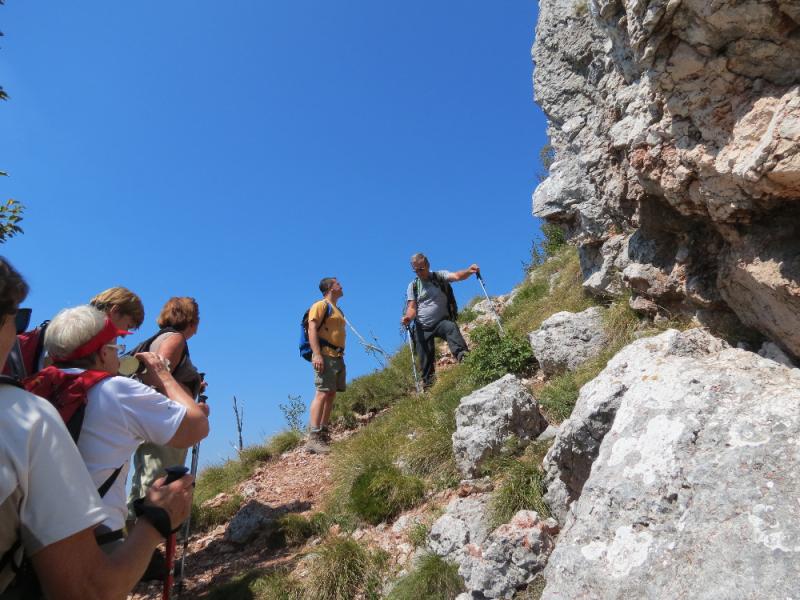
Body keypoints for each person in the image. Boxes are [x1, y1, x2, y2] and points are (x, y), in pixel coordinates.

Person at [0, 257, 195, 600]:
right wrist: (157, 521)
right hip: (88, 530)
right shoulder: (28, 415)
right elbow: (87, 589)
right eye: (119, 340)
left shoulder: (36, 386)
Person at [26, 304, 209, 554]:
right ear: (103, 353)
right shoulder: (116, 391)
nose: (120, 354)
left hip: (31, 539)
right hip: (94, 540)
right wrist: (162, 374)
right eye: (116, 347)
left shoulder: (32, 388)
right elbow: (197, 426)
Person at [127, 297, 205, 524]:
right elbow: (159, 377)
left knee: (144, 481)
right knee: (158, 483)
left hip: (150, 421)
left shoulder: (157, 338)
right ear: (191, 319)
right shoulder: (175, 339)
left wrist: (192, 384)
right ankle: (148, 538)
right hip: (165, 423)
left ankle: (135, 534)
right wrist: (190, 401)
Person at [3, 286, 144, 380]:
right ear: (115, 311)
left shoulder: (67, 325)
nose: (124, 334)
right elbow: (52, 375)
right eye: (128, 326)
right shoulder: (79, 332)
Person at [400, 253, 479, 388]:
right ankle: (428, 386)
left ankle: (466, 360)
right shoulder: (413, 286)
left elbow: (457, 276)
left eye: (421, 269)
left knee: (451, 328)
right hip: (422, 327)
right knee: (425, 360)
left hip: (441, 322)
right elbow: (412, 307)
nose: (419, 272)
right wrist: (408, 317)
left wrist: (469, 271)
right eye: (415, 270)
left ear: (427, 265)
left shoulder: (439, 276)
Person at [305, 277, 346, 454]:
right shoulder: (321, 305)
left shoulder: (338, 309)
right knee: (322, 393)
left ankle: (323, 432)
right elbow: (311, 328)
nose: (341, 286)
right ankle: (314, 437)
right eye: (338, 284)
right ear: (330, 288)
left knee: (331, 393)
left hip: (337, 356)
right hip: (325, 354)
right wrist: (317, 354)